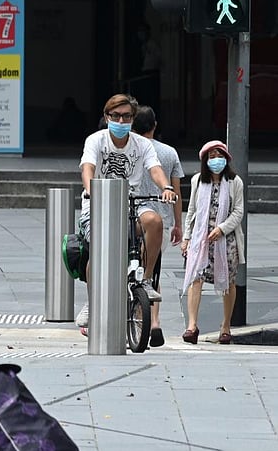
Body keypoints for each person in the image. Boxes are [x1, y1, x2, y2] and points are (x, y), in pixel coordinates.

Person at [75, 94, 178, 332]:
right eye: (116, 116)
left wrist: (167, 188)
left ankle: (146, 279)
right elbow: (87, 168)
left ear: (133, 118)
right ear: (106, 116)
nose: (121, 121)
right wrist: (92, 190)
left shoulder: (142, 145)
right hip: (99, 201)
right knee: (98, 253)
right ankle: (93, 302)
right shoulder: (96, 140)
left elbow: (155, 169)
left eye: (126, 116)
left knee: (154, 220)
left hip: (131, 201)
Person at [180, 140, 245, 345]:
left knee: (229, 281)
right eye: (212, 156)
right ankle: (192, 326)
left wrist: (222, 228)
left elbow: (238, 211)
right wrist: (187, 238)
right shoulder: (198, 180)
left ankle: (225, 326)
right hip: (201, 239)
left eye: (219, 156)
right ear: (205, 160)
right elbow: (192, 211)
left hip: (226, 240)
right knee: (195, 277)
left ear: (226, 159)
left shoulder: (235, 182)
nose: (216, 160)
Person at [133, 105, 184, 347]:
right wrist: (178, 225)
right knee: (150, 270)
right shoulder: (169, 153)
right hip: (161, 221)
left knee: (134, 268)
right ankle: (154, 321)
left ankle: (139, 318)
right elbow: (176, 191)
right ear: (155, 125)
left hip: (132, 218)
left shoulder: (130, 151)